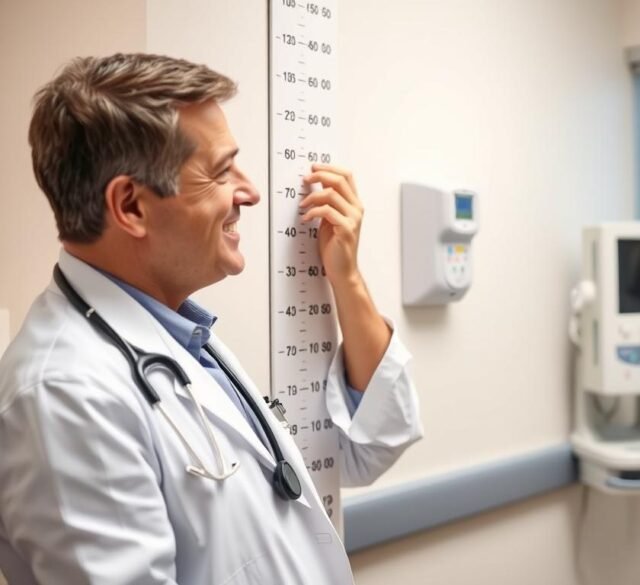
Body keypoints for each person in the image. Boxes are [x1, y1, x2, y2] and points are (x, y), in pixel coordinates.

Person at [0, 53, 422, 584]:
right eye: (222, 172)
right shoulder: (65, 395)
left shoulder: (179, 337)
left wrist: (348, 279)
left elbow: (372, 445)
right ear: (130, 206)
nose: (250, 191)